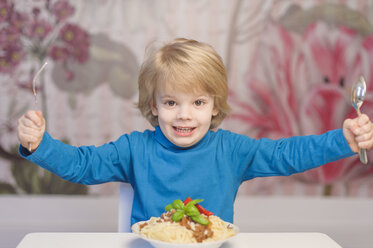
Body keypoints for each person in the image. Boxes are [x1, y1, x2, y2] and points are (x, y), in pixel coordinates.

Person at [18, 38, 373, 226]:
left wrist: (342, 140)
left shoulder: (231, 150)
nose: (184, 116)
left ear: (216, 105)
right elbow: (83, 165)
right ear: (154, 105)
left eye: (198, 103)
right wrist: (39, 145)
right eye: (171, 103)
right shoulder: (134, 149)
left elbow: (286, 156)